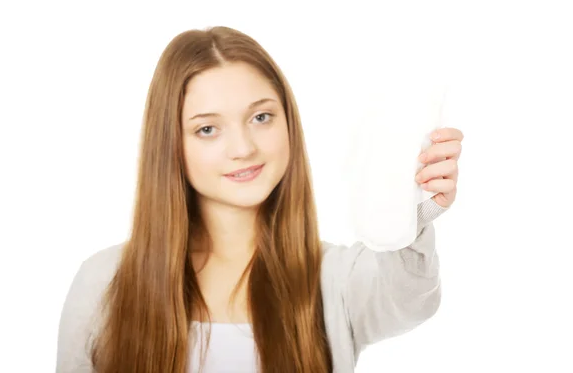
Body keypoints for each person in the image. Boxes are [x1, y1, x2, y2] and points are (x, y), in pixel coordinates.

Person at [56, 26, 464, 373]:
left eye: (261, 117)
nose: (243, 148)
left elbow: (409, 300)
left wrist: (410, 210)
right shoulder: (104, 282)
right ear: (171, 145)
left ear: (288, 120)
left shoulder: (334, 277)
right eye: (207, 129)